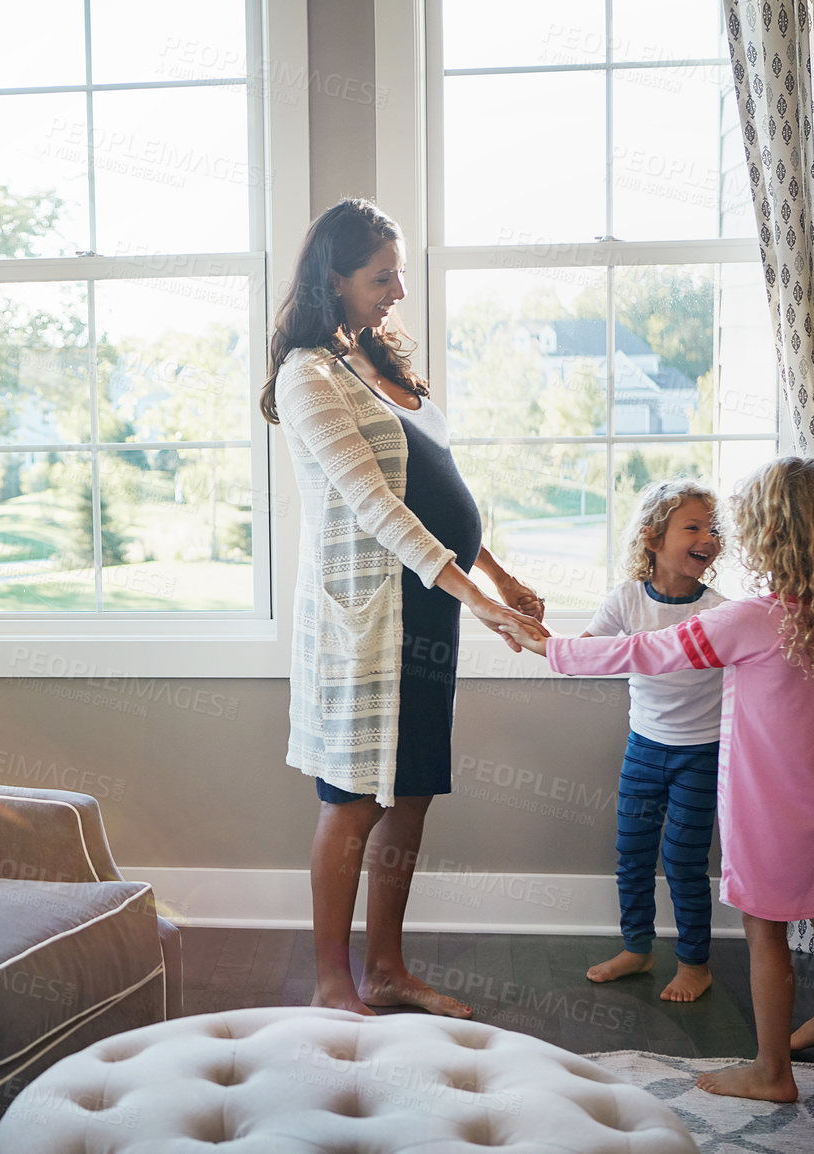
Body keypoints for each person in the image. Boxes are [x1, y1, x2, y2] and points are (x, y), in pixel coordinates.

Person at [262, 197, 548, 1017]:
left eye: (399, 274)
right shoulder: (308, 375)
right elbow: (374, 506)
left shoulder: (372, 362)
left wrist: (492, 576)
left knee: (411, 792)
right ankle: (331, 984)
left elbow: (433, 489)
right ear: (335, 277)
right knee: (353, 799)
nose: (396, 291)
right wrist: (476, 595)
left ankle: (387, 969)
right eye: (381, 276)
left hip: (429, 610)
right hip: (370, 620)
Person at [508, 456, 814, 1102]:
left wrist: (549, 648)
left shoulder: (744, 619)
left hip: (769, 808)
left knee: (766, 932)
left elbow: (648, 651)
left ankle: (772, 1071)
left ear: (769, 534)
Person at [579, 481, 727, 1002]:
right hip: (643, 747)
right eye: (693, 526)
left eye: (713, 528)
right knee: (633, 854)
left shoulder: (719, 610)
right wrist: (540, 639)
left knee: (685, 859)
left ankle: (695, 963)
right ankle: (637, 948)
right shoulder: (626, 599)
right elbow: (588, 652)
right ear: (652, 538)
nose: (708, 537)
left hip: (701, 753)